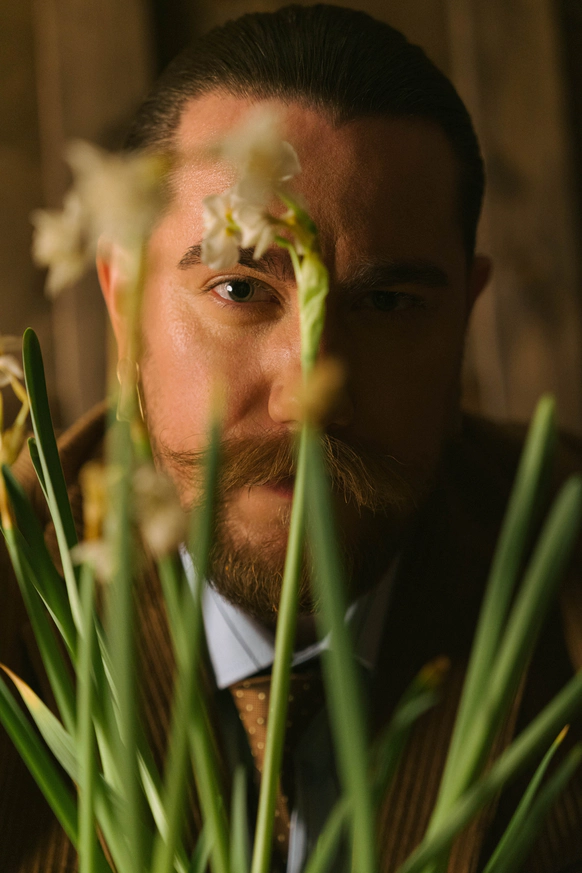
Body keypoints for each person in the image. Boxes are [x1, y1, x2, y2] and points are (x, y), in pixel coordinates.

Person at [1, 5, 582, 871]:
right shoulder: (16, 598)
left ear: (465, 314)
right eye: (240, 289)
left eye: (389, 303)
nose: (308, 397)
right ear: (123, 305)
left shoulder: (561, 579)